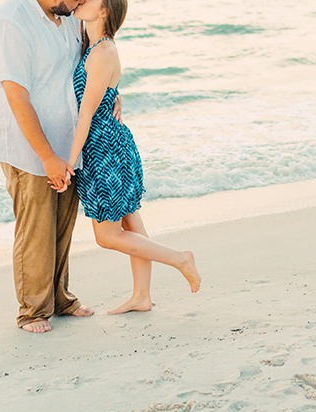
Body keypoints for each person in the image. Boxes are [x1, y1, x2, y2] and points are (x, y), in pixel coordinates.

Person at [68, 0, 201, 315]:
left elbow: (86, 113)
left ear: (104, 11)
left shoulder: (102, 52)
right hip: (107, 144)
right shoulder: (93, 46)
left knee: (107, 235)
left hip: (104, 150)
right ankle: (142, 296)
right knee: (130, 221)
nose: (81, 1)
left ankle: (181, 259)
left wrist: (68, 163)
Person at [0, 0, 95, 333]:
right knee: (37, 229)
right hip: (28, 148)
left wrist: (111, 94)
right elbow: (16, 94)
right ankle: (32, 311)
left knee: (63, 226)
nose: (81, 2)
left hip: (68, 142)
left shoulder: (70, 18)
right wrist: (47, 156)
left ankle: (60, 299)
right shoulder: (12, 19)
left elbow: (87, 65)